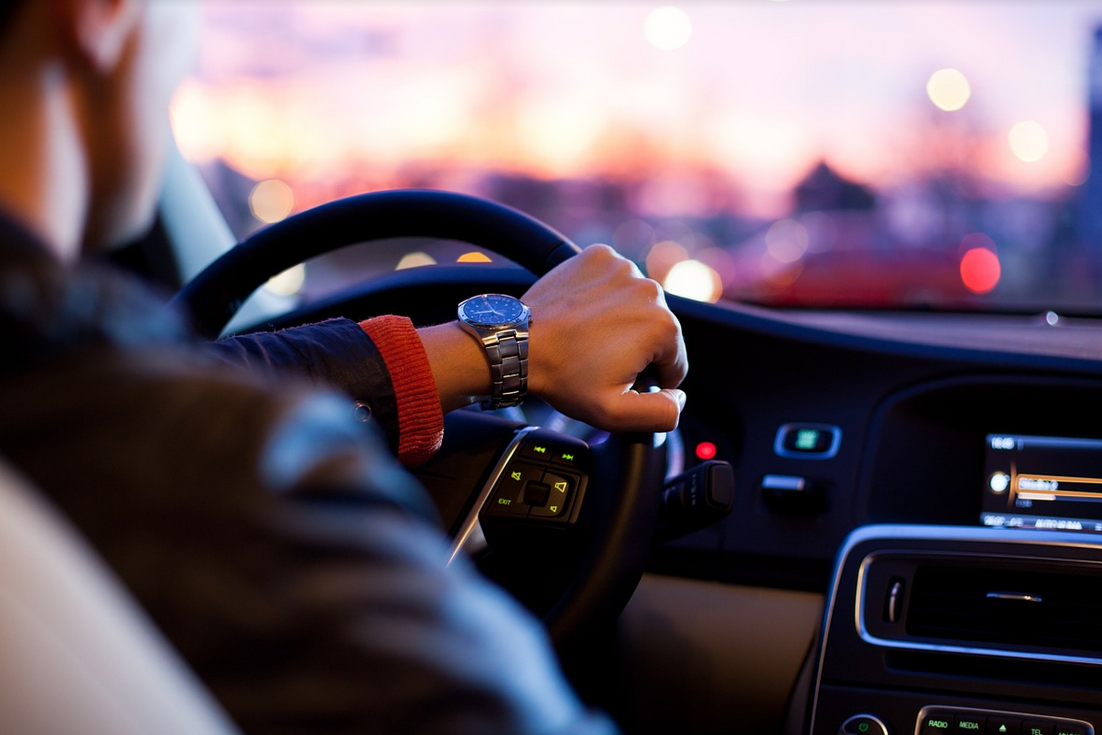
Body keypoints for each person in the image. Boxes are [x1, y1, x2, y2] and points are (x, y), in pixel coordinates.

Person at [0, 1, 687, 733]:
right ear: (101, 12)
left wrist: (490, 351)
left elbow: (168, 376)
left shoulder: (73, 404)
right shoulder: (234, 485)